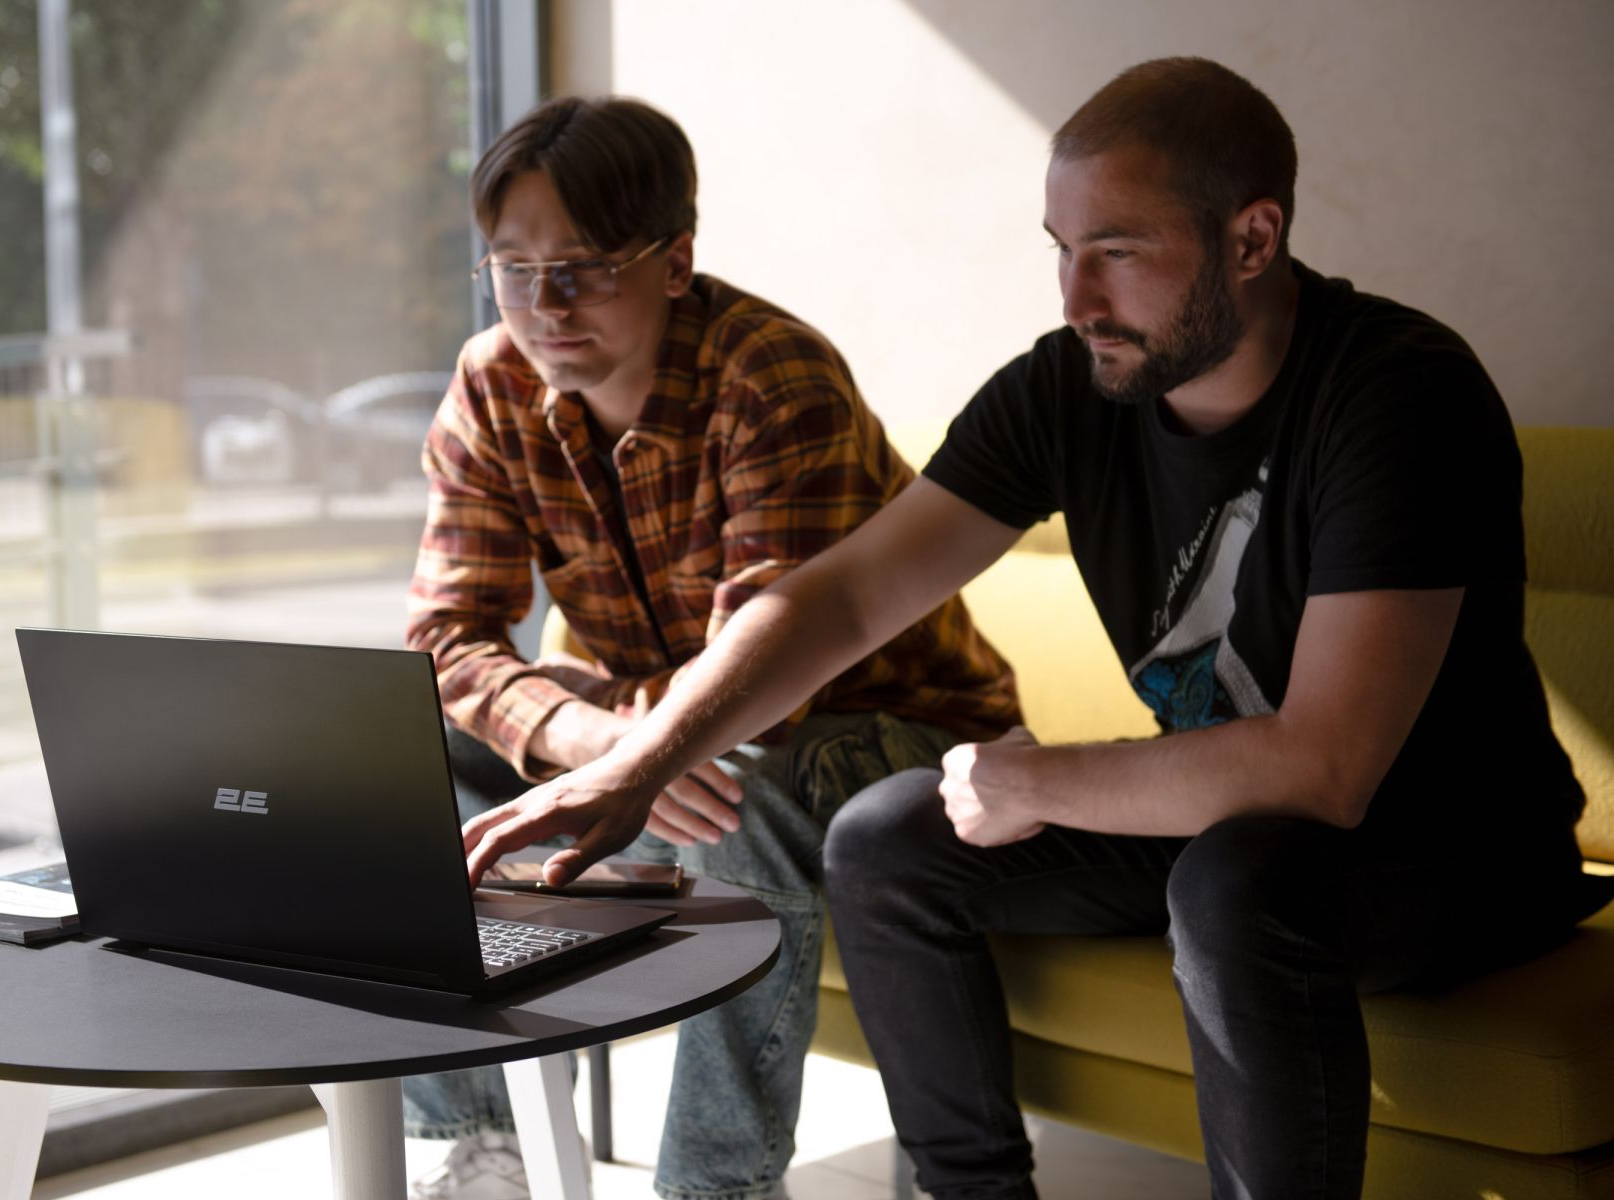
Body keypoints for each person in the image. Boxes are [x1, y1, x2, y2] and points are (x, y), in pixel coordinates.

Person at [460, 58, 1609, 1200]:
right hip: (1231, 817)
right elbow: (845, 597)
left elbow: (1326, 770)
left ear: (1253, 240)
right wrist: (638, 762)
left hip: (1453, 850)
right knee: (886, 839)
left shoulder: (1398, 395)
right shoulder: (1072, 387)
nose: (1076, 299)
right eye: (1061, 250)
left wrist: (1043, 779)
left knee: (1236, 882)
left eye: (1117, 252)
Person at [402, 95, 1020, 1200]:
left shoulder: (772, 379)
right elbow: (447, 638)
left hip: (893, 728)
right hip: (659, 730)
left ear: (675, 259)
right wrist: (594, 736)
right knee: (410, 754)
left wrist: (629, 739)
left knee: (743, 791)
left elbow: (770, 663)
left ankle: (718, 1187)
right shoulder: (492, 386)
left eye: (585, 267)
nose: (545, 304)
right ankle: (489, 1142)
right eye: (514, 268)